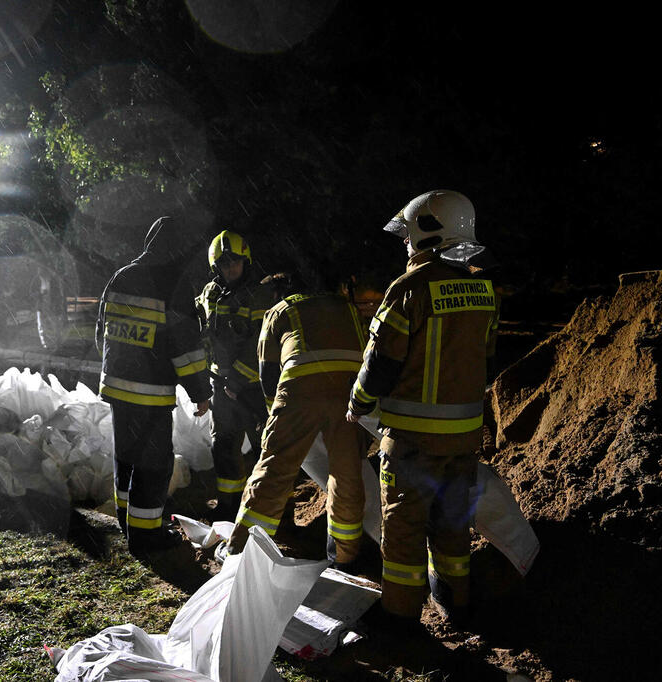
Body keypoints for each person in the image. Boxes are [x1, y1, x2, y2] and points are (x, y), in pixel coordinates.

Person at [346, 190, 499, 628]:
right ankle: (457, 605)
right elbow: (487, 361)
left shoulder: (409, 288)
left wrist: (358, 404)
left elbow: (380, 362)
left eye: (408, 235)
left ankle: (401, 620)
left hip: (411, 442)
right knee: (453, 528)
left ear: (426, 232)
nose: (405, 244)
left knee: (404, 530)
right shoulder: (483, 288)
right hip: (464, 440)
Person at [226, 271, 370, 564]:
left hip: (300, 390)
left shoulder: (282, 310)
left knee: (275, 469)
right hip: (349, 393)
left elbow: (267, 374)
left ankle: (241, 551)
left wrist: (274, 418)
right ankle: (344, 555)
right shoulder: (347, 308)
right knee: (347, 475)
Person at [96, 216, 212, 559]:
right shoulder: (172, 281)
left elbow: (101, 329)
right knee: (154, 464)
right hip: (150, 392)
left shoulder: (122, 275)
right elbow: (185, 346)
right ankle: (146, 536)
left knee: (126, 457)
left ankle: (125, 519)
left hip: (117, 388)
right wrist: (200, 392)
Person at [196, 230, 272, 520]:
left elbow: (262, 343)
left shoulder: (259, 295)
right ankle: (228, 506)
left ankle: (268, 509)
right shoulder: (210, 293)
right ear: (216, 267)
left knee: (266, 449)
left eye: (236, 262)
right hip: (221, 386)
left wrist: (238, 380)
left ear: (246, 262)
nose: (231, 268)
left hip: (253, 387)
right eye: (225, 264)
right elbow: (198, 326)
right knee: (224, 445)